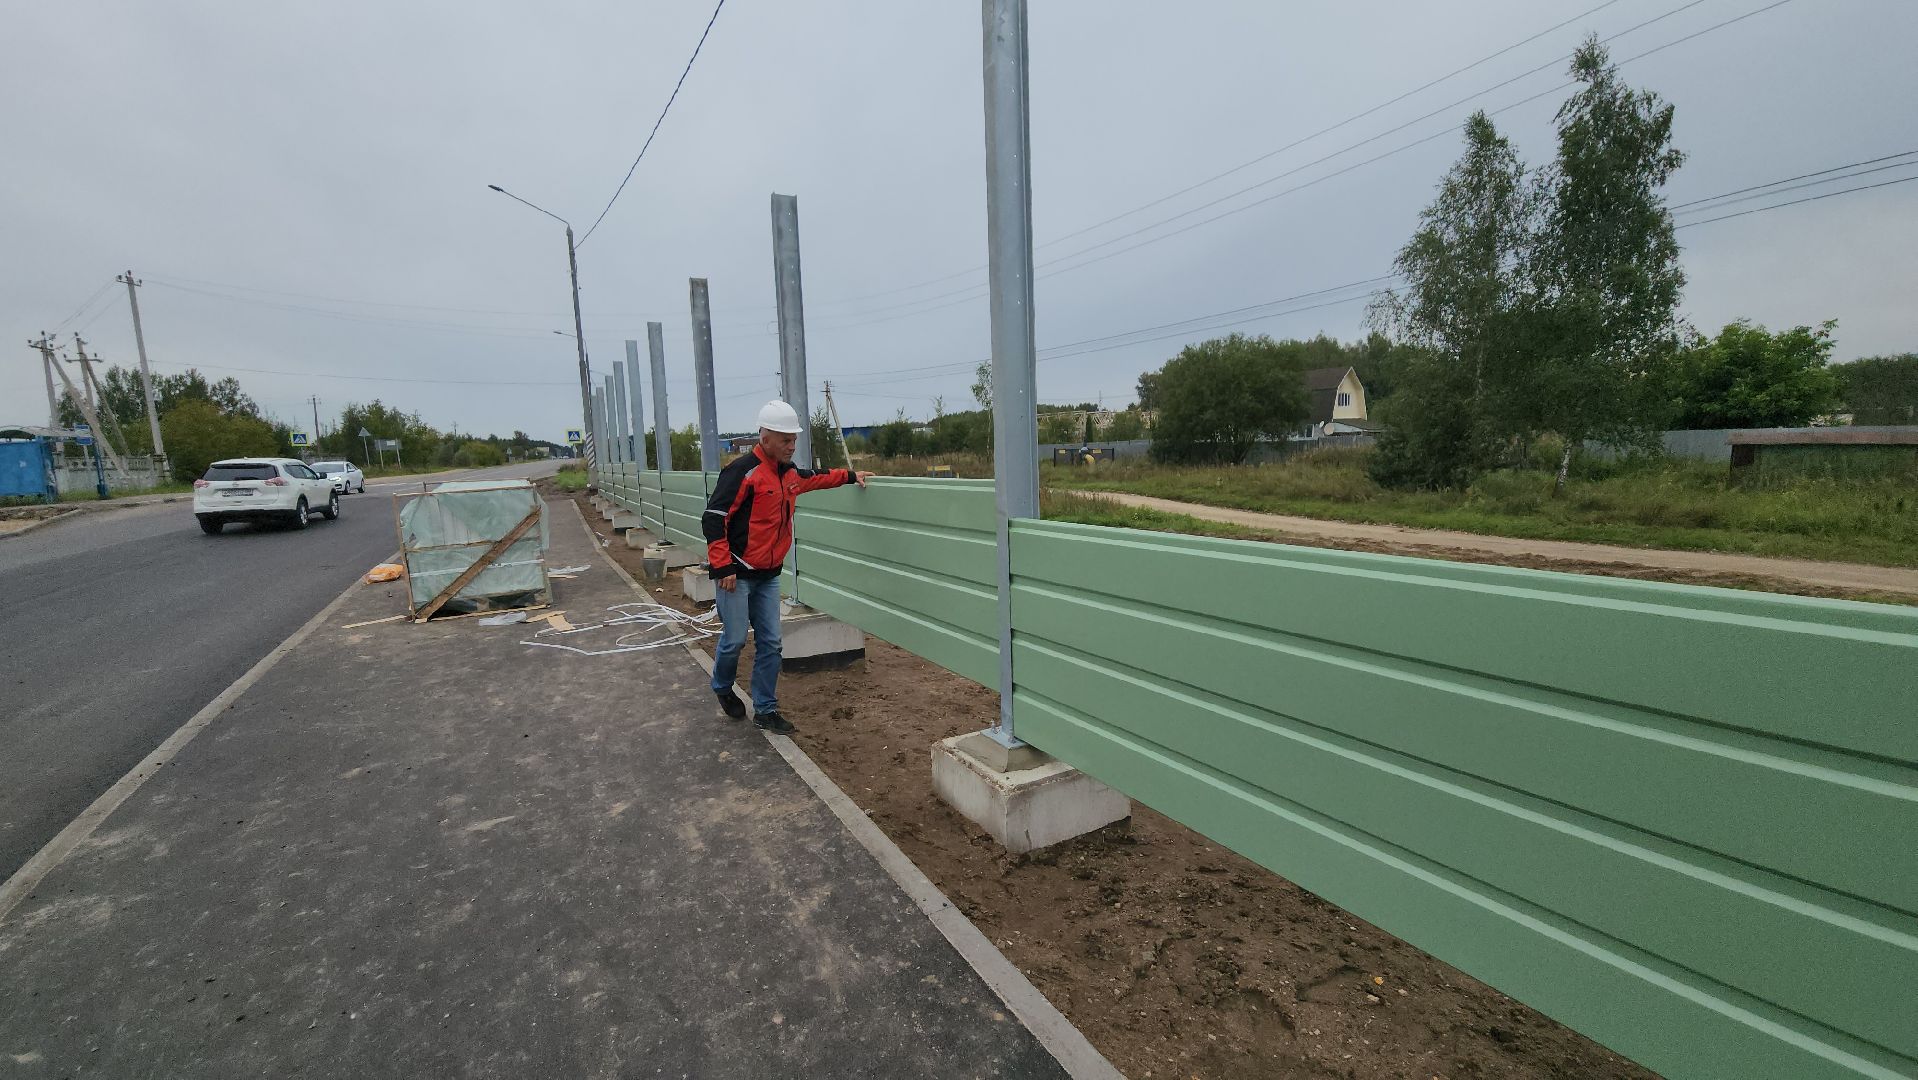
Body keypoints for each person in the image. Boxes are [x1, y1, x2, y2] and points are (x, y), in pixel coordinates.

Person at [702, 400, 874, 735]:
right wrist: (723, 568)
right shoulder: (742, 472)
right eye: (785, 440)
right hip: (736, 574)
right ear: (765, 437)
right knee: (735, 639)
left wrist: (852, 476)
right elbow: (713, 519)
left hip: (768, 576)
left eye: (794, 440)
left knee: (772, 643)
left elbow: (818, 477)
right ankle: (722, 686)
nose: (791, 446)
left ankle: (765, 709)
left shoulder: (790, 473)